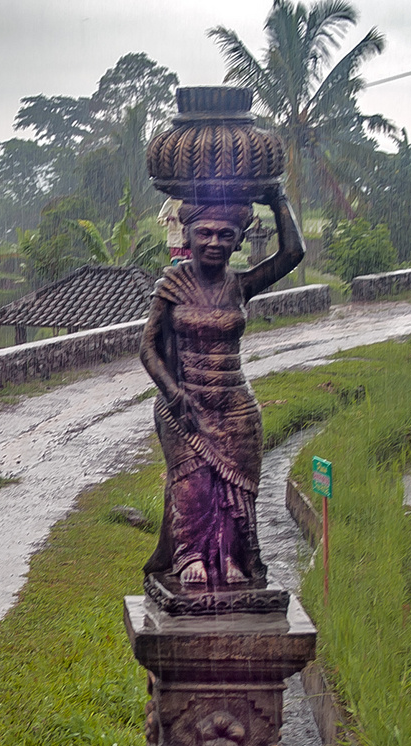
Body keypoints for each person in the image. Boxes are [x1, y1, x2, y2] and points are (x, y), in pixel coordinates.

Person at [139, 190, 304, 589]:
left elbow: (292, 254)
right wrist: (172, 391)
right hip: (185, 405)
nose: (214, 242)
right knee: (193, 485)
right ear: (189, 235)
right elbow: (147, 347)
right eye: (206, 233)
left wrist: (276, 199)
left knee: (236, 491)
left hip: (235, 405)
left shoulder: (240, 285)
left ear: (238, 240)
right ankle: (190, 554)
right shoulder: (172, 285)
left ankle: (230, 555)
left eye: (225, 235)